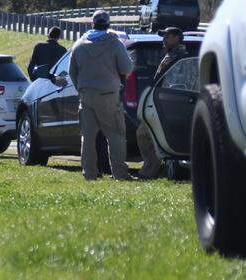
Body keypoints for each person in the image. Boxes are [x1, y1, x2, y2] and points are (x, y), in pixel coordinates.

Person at [68, 10, 134, 181]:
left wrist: (81, 89)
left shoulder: (79, 44)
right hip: (108, 96)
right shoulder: (114, 43)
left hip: (86, 96)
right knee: (115, 135)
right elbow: (127, 68)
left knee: (88, 137)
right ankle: (119, 173)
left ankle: (89, 174)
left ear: (93, 24)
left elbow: (72, 72)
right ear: (108, 24)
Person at [135, 27, 188, 179]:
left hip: (169, 103)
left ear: (177, 38)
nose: (164, 39)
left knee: (150, 135)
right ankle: (151, 168)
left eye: (167, 36)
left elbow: (177, 82)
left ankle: (148, 172)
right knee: (144, 133)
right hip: (161, 101)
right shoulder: (170, 55)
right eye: (163, 36)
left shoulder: (178, 55)